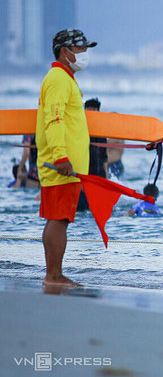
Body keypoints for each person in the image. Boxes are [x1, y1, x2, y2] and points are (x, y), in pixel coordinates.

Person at [36, 28, 97, 286]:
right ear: (65, 51)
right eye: (81, 48)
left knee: (59, 218)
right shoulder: (59, 78)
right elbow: (55, 119)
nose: (85, 54)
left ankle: (54, 274)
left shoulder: (64, 78)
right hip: (61, 166)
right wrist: (61, 157)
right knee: (59, 219)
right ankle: (54, 276)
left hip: (66, 166)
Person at [77, 98, 108, 211]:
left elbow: (104, 158)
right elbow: (77, 157)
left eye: (93, 112)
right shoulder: (79, 131)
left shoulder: (102, 133)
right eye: (88, 112)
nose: (90, 115)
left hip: (99, 179)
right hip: (84, 181)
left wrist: (106, 181)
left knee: (98, 211)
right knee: (82, 212)